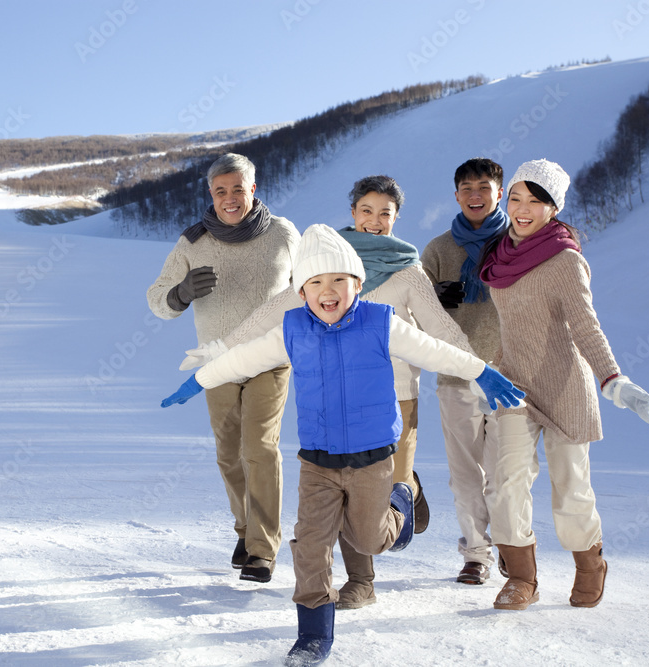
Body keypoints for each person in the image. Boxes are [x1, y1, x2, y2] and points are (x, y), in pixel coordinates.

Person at [163, 224, 525, 665]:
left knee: (370, 539)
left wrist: (480, 370)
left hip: (373, 460)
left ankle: (401, 501)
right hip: (316, 461)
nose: (327, 291)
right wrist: (199, 380)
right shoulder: (292, 328)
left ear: (358, 283)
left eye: (338, 280)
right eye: (314, 282)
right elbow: (244, 358)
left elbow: (435, 351)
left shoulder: (380, 323)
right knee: (311, 543)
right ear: (301, 290)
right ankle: (313, 635)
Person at [182, 175, 476, 609]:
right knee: (337, 491)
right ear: (353, 212)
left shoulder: (408, 269)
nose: (374, 221)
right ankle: (361, 582)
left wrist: (479, 368)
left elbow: (440, 328)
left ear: (396, 218)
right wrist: (220, 348)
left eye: (385, 214)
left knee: (374, 508)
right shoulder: (324, 263)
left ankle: (404, 492)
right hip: (336, 397)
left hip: (396, 393)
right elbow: (271, 314)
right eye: (366, 211)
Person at [478, 158, 649, 610]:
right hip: (514, 383)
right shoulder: (499, 253)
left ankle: (589, 564)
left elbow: (585, 325)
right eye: (516, 197)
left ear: (552, 209)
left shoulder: (564, 259)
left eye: (535, 201)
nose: (522, 209)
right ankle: (521, 577)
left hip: (565, 386)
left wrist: (613, 378)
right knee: (506, 480)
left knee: (571, 485)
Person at [146, 153, 301, 583]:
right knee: (229, 454)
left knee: (260, 449)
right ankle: (245, 528)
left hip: (271, 360)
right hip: (217, 364)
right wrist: (179, 293)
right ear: (210, 195)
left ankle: (262, 550)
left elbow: (309, 287)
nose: (230, 199)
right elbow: (156, 299)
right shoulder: (192, 243)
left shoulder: (284, 234)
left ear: (254, 189)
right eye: (220, 191)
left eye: (238, 189)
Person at [420, 157, 508, 585]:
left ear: (499, 193)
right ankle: (476, 553)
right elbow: (413, 317)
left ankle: (512, 544)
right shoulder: (438, 250)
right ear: (456, 196)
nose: (476, 196)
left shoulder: (518, 242)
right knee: (466, 473)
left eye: (484, 188)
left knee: (506, 471)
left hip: (511, 376)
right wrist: (435, 295)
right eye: (467, 189)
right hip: (455, 375)